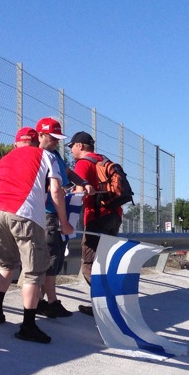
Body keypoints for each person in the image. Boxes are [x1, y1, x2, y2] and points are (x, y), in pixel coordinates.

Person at [0, 131, 72, 343]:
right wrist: (64, 223)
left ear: (16, 144)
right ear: (36, 142)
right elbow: (56, 191)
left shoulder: (4, 159)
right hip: (24, 214)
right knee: (33, 272)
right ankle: (28, 326)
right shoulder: (47, 155)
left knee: (5, 265)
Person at [69, 131, 123, 316]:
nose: (71, 150)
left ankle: (106, 304)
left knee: (89, 265)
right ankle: (105, 303)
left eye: (72, 146)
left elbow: (78, 192)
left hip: (96, 217)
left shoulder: (83, 163)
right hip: (114, 216)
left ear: (80, 146)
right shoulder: (104, 160)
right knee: (105, 263)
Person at [35, 117, 74, 319]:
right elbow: (55, 189)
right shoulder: (38, 156)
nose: (56, 142)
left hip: (52, 212)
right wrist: (64, 221)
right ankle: (50, 302)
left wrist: (82, 184)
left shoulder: (54, 155)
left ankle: (41, 301)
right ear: (40, 135)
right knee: (50, 258)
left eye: (58, 138)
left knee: (53, 258)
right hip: (47, 213)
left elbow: (66, 176)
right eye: (53, 137)